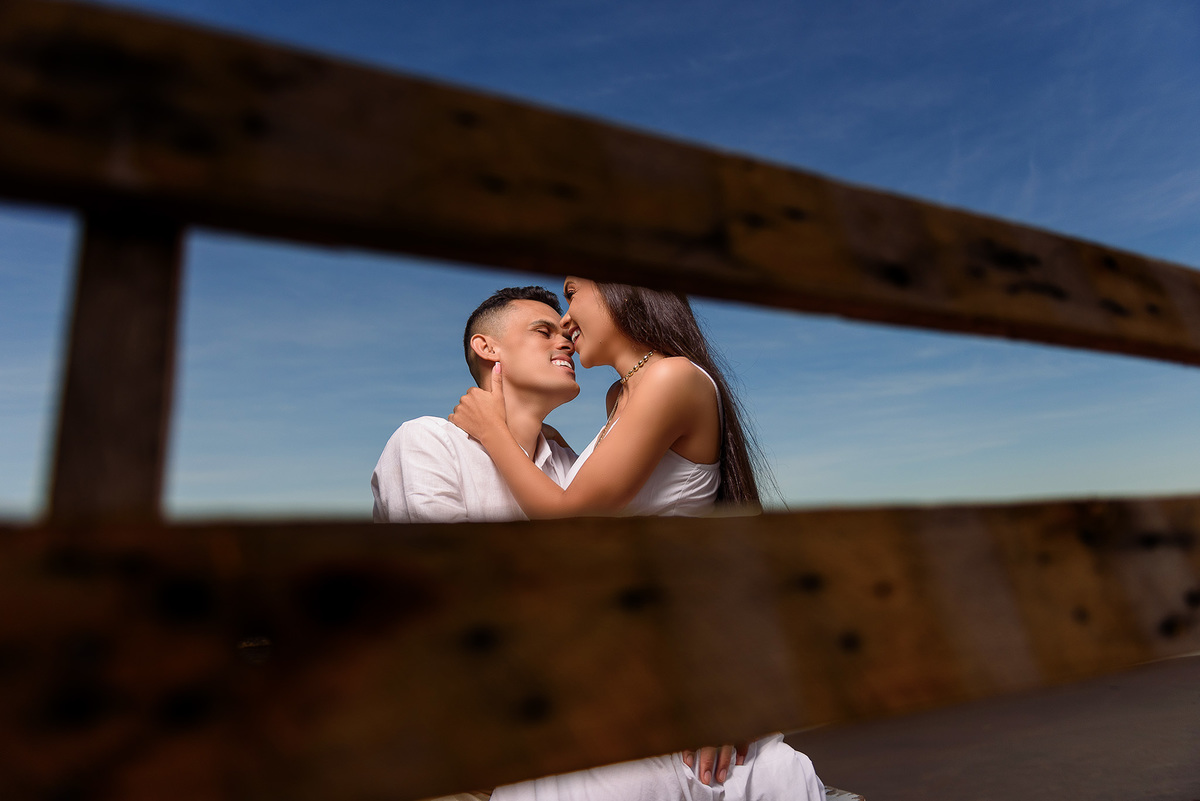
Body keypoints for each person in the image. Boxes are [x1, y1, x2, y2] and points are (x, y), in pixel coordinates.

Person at [450, 277, 826, 801]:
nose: (565, 319)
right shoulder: (621, 395)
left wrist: (491, 431)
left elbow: (570, 522)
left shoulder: (672, 379)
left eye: (574, 293)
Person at [372, 285, 579, 524]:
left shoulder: (567, 462)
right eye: (544, 332)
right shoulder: (429, 440)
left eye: (567, 337)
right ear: (487, 348)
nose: (569, 346)